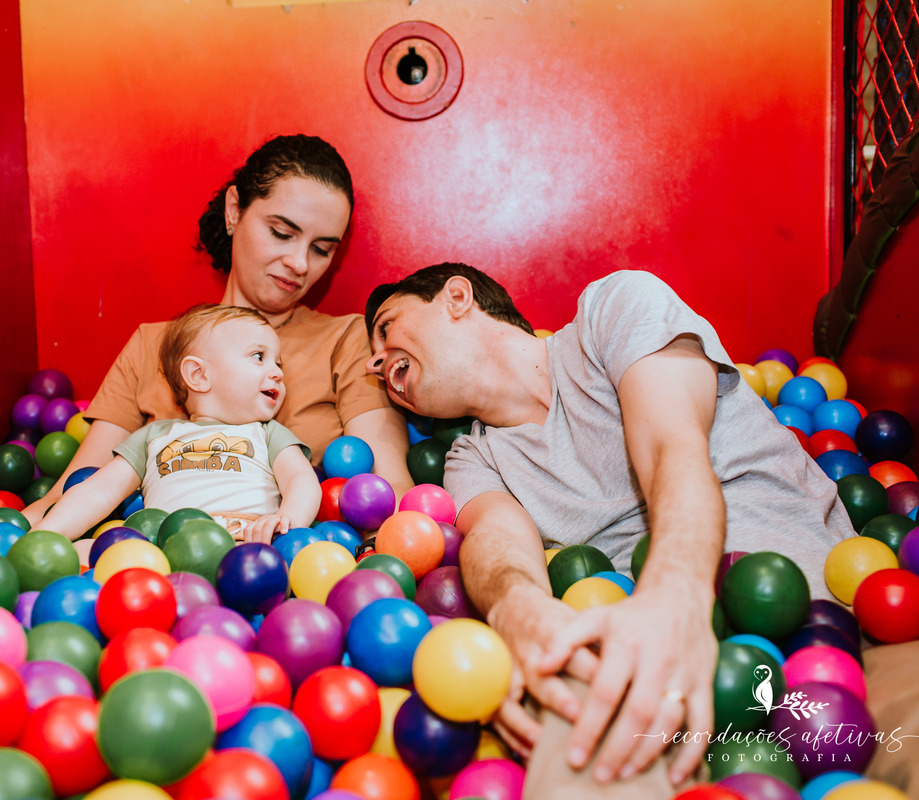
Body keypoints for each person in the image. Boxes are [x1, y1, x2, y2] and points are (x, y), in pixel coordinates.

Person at [363, 264, 857, 796]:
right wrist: (518, 611)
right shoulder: (472, 459)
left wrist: (673, 596)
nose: (376, 358)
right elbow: (497, 540)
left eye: (387, 327)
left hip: (808, 621)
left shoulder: (612, 309)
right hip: (645, 662)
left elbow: (672, 447)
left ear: (456, 298)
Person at [22, 134, 413, 525]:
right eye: (281, 232)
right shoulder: (153, 344)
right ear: (233, 211)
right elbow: (78, 489)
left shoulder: (346, 341)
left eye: (321, 249)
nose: (299, 262)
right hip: (152, 560)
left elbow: (387, 487)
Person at [33, 304, 320, 544]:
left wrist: (287, 520)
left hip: (245, 544)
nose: (278, 373)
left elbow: (301, 480)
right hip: (163, 547)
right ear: (198, 375)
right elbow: (99, 491)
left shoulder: (268, 434)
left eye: (278, 363)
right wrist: (45, 535)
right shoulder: (154, 436)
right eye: (259, 357)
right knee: (86, 551)